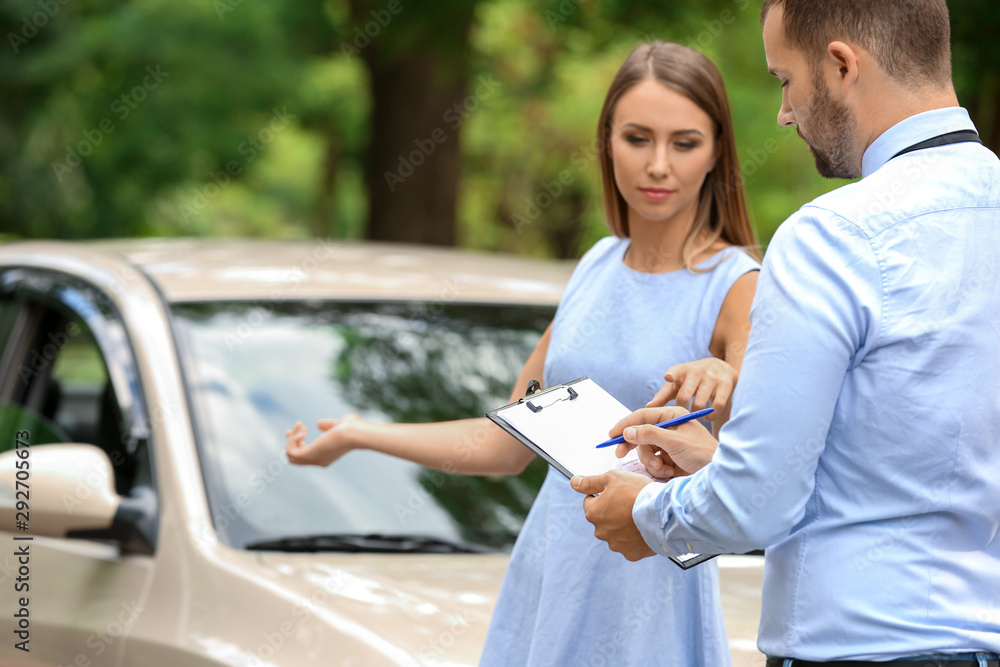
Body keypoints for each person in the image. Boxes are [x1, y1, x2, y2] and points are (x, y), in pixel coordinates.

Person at [286, 41, 760, 666]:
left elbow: (760, 467)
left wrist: (726, 384)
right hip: (550, 575)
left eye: (685, 142)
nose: (659, 166)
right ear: (607, 140)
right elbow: (507, 445)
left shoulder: (737, 284)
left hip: (649, 597)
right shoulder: (594, 265)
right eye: (638, 138)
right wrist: (359, 433)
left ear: (717, 150)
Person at [573, 2, 1000, 666]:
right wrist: (719, 464)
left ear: (840, 65)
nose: (783, 112)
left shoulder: (833, 235)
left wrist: (647, 511)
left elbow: (757, 504)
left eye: (783, 80)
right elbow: (903, 477)